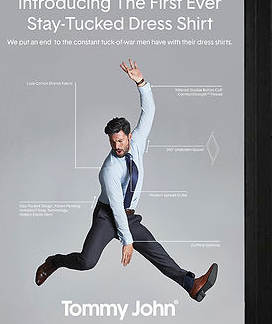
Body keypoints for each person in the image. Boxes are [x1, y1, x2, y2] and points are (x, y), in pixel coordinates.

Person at [35, 59, 218, 301]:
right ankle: (55, 261)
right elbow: (116, 208)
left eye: (120, 141)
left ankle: (191, 284)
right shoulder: (109, 170)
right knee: (87, 261)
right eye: (112, 142)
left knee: (157, 252)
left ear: (129, 136)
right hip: (107, 216)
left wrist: (141, 83)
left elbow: (149, 111)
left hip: (128, 215)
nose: (117, 146)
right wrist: (127, 241)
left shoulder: (138, 142)